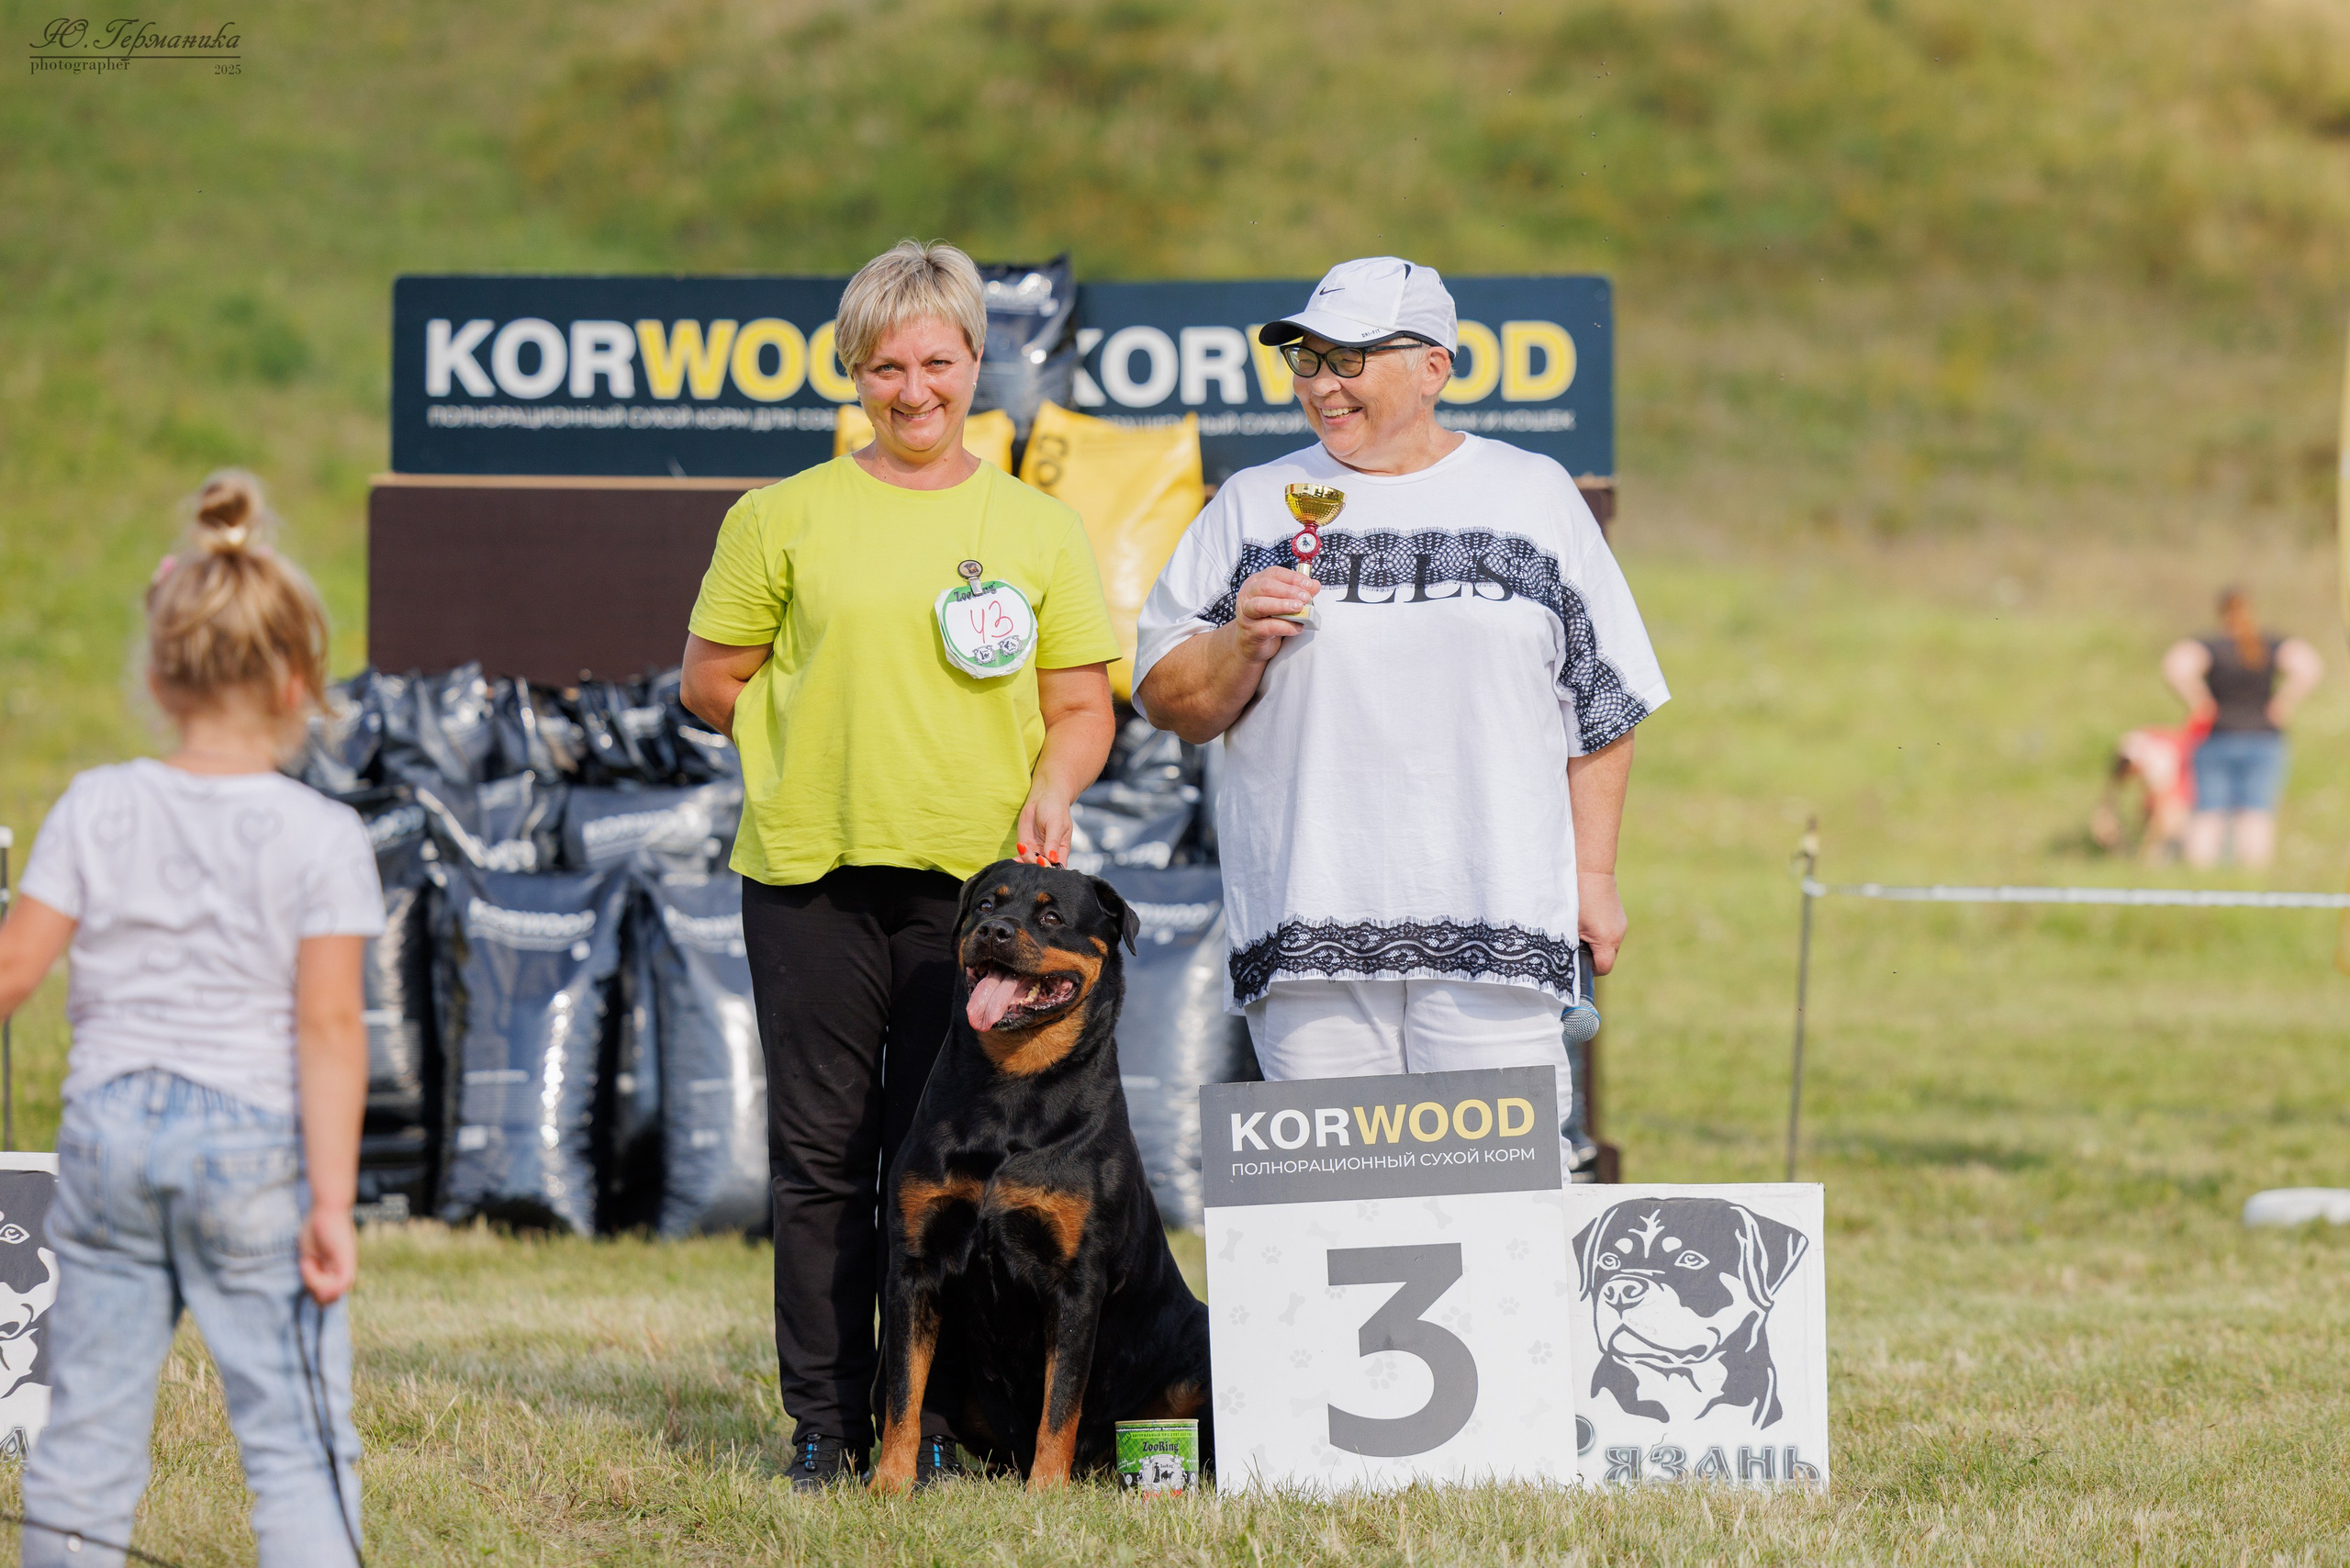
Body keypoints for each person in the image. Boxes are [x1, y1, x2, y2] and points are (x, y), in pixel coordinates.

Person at [678, 240, 1120, 1490]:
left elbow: (1081, 708)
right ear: (852, 372)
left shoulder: (1036, 527)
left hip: (977, 908)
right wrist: (811, 743)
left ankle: (928, 1421)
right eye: (885, 366)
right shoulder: (778, 518)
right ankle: (824, 1423)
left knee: (947, 1172)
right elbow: (709, 681)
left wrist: (1051, 785)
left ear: (977, 360)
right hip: (808, 882)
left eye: (936, 361)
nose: (913, 389)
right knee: (821, 1163)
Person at [1133, 257, 1669, 1151]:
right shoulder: (1252, 504)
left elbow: (1602, 703)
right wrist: (1240, 643)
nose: (1322, 385)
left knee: (1497, 1211)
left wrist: (1595, 880)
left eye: (1350, 360)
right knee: (1336, 1216)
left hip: (1498, 934)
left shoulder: (1532, 495)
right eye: (1307, 360)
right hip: (1309, 940)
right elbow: (1166, 699)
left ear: (1433, 367)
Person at [0, 472, 375, 1567]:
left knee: (84, 1445)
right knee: (298, 1448)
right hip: (252, 1150)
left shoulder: (96, 802)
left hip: (106, 1141)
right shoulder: (323, 836)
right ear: (300, 680)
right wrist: (333, 1203)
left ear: (160, 674)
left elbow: (13, 969)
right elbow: (328, 1029)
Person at [2162, 588, 2322, 869]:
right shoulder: (2270, 644)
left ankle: (2199, 882)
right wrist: (2285, 702)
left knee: (2208, 812)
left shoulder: (2212, 646)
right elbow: (2309, 665)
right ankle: (2252, 883)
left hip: (2216, 737)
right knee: (2256, 813)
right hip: (2263, 739)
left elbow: (2175, 665)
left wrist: (2198, 701)